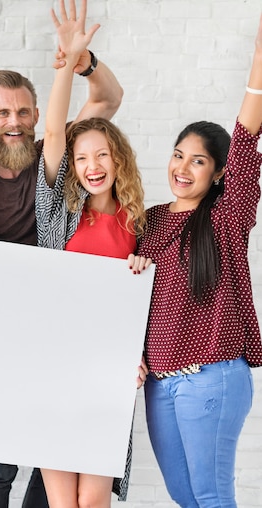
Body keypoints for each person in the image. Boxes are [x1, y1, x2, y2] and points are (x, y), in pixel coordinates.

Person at [0, 10, 124, 508]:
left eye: (23, 113)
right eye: (3, 114)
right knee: (0, 462)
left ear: (37, 115)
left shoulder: (54, 173)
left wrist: (79, 62)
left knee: (55, 465)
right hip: (4, 329)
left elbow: (106, 101)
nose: (14, 123)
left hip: (58, 327)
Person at [127, 15, 262, 508]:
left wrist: (257, 64)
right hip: (160, 383)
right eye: (178, 155)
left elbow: (247, 138)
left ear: (220, 171)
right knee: (186, 498)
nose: (182, 168)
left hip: (211, 376)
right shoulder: (148, 219)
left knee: (210, 496)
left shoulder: (226, 217)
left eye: (198, 161)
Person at [34, 1, 146, 506]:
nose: (92, 165)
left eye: (102, 154)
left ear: (117, 159)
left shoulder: (140, 223)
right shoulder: (60, 212)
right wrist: (67, 64)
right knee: (63, 502)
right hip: (55, 358)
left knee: (93, 499)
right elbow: (56, 132)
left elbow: (148, 301)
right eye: (82, 159)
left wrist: (139, 355)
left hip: (109, 367)